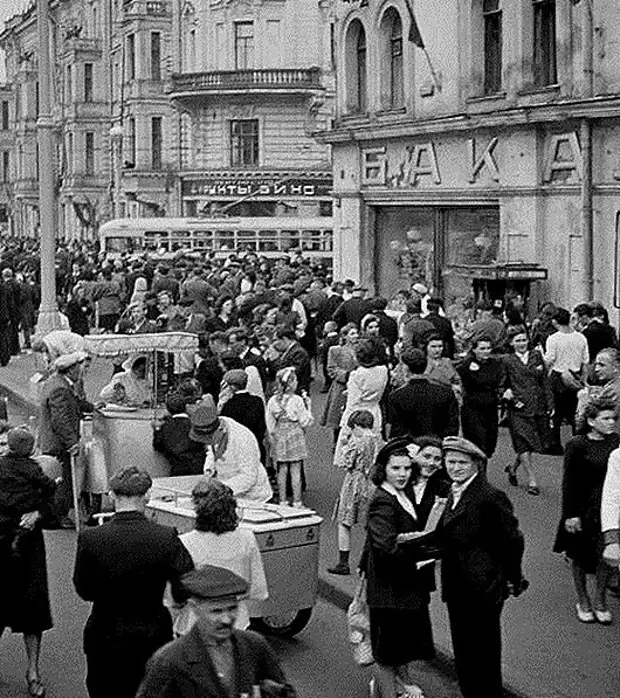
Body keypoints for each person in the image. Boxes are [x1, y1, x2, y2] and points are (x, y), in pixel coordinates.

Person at [73, 466, 194, 698]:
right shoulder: (166, 535)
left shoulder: (90, 538)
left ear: (112, 495)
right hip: (152, 630)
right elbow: (185, 582)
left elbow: (84, 589)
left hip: (105, 630)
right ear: (147, 496)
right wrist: (175, 601)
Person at [432, 436, 526, 698]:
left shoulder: (490, 496)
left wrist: (511, 578)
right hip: (456, 584)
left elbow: (513, 540)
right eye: (450, 462)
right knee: (463, 648)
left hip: (482, 588)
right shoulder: (454, 489)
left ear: (476, 464)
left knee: (483, 652)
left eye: (462, 462)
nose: (455, 467)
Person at [137, 565, 296, 698]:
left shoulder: (254, 645)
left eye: (232, 609)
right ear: (194, 609)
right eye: (216, 611)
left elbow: (284, 691)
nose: (227, 619)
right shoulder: (170, 660)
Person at [360, 437, 436, 698]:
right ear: (384, 469)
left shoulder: (400, 494)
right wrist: (421, 554)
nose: (402, 474)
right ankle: (387, 693)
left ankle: (400, 685)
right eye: (396, 469)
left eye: (406, 468)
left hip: (402, 587)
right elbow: (385, 547)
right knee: (385, 653)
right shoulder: (383, 501)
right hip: (389, 589)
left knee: (398, 646)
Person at [0, 428, 59, 698]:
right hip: (28, 544)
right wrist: (38, 513)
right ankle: (33, 672)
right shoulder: (37, 472)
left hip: (2, 542)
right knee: (33, 610)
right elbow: (54, 501)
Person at [553, 399, 619, 624]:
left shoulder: (617, 443)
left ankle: (600, 600)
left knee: (605, 556)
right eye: (606, 418)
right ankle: (583, 600)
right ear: (591, 421)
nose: (611, 423)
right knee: (579, 556)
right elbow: (568, 482)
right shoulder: (577, 444)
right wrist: (570, 514)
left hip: (607, 508)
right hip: (581, 508)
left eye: (613, 418)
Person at [171, 479, 267, 634]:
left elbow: (175, 598)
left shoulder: (184, 542)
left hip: (193, 625)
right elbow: (257, 589)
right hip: (237, 623)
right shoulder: (247, 538)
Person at [38, 350, 92, 527]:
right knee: (64, 481)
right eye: (78, 369)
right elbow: (60, 420)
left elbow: (74, 403)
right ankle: (58, 516)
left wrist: (91, 407)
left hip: (53, 441)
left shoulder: (56, 382)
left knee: (59, 479)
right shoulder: (60, 388)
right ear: (70, 370)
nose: (81, 373)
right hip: (58, 443)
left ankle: (56, 514)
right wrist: (72, 443)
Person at [328, 410, 382, 576]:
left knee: (344, 520)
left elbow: (347, 463)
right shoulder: (379, 440)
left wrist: (344, 445)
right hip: (373, 483)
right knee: (371, 523)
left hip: (355, 481)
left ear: (357, 425)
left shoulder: (357, 442)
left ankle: (343, 563)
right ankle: (371, 561)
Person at [189, 396, 272, 502]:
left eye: (208, 439)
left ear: (220, 430)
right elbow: (211, 452)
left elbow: (249, 477)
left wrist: (218, 488)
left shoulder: (242, 438)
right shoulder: (214, 428)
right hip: (225, 495)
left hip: (254, 497)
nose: (207, 443)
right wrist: (208, 471)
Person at [502, 326, 553, 495]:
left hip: (537, 406)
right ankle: (532, 480)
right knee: (522, 442)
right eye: (518, 340)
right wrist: (510, 397)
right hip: (518, 408)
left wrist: (550, 403)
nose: (522, 343)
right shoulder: (507, 360)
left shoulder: (536, 355)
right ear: (511, 343)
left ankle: (513, 468)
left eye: (524, 340)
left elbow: (545, 380)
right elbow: (502, 385)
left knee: (532, 443)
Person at [266, 367, 313, 507]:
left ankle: (282, 500)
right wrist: (309, 407)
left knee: (281, 470)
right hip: (295, 434)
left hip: (280, 433)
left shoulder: (273, 401)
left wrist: (273, 436)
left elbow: (270, 423)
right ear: (291, 383)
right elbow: (305, 421)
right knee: (296, 469)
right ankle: (297, 501)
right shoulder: (297, 400)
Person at [544, 307, 590, 451]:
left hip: (558, 375)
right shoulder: (581, 337)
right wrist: (584, 379)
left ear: (555, 321)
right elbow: (585, 360)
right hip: (575, 374)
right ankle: (578, 442)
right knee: (574, 412)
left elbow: (550, 359)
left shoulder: (553, 338)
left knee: (556, 412)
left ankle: (554, 444)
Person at [388, 349, 459, 440]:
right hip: (439, 445)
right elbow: (453, 427)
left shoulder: (396, 396)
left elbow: (397, 430)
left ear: (406, 368)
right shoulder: (446, 393)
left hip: (410, 448)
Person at [457, 336, 506, 459]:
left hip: (490, 407)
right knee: (478, 443)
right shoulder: (466, 365)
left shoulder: (495, 364)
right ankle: (480, 475)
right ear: (474, 350)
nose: (486, 351)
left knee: (490, 444)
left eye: (488, 348)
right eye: (482, 348)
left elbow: (499, 380)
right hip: (472, 408)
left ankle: (482, 470)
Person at [320, 323, 359, 441]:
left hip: (358, 386)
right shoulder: (335, 350)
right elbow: (331, 369)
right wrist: (347, 376)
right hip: (341, 387)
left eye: (357, 333)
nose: (356, 336)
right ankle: (336, 442)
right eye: (352, 334)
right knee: (338, 416)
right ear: (345, 336)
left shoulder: (362, 349)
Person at [219, 369, 267, 463]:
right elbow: (261, 426)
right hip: (255, 444)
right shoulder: (257, 401)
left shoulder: (228, 404)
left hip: (235, 448)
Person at [153, 394, 206, 476]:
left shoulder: (166, 427)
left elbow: (158, 445)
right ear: (185, 407)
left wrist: (157, 428)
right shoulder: (197, 424)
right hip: (199, 468)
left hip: (177, 468)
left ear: (168, 410)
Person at [423, 335, 462, 400]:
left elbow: (457, 379)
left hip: (449, 397)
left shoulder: (447, 361)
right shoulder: (423, 363)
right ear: (426, 347)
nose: (437, 350)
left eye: (440, 346)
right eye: (433, 347)